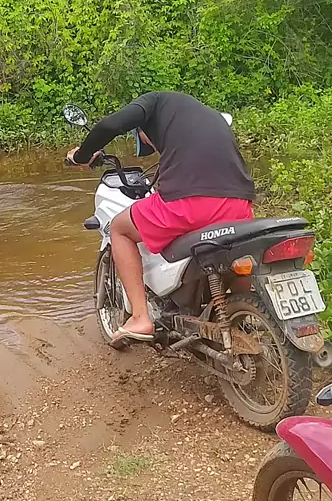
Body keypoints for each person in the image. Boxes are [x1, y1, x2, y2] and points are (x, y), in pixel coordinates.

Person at [67, 90, 256, 346]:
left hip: (189, 204)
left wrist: (82, 155)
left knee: (119, 229)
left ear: (143, 126)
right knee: (234, 254)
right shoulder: (208, 115)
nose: (152, 146)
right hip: (240, 205)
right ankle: (245, 314)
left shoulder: (153, 101)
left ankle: (140, 318)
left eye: (145, 142)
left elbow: (109, 125)